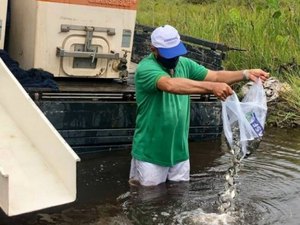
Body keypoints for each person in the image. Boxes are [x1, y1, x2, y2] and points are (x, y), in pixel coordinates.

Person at [129, 24, 269, 187]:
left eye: (176, 52)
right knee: (147, 200)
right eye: (168, 54)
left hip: (179, 153)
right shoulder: (146, 68)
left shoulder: (184, 64)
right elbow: (170, 85)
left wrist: (245, 73)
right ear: (153, 49)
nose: (174, 58)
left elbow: (215, 76)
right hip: (151, 154)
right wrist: (210, 88)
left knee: (178, 198)